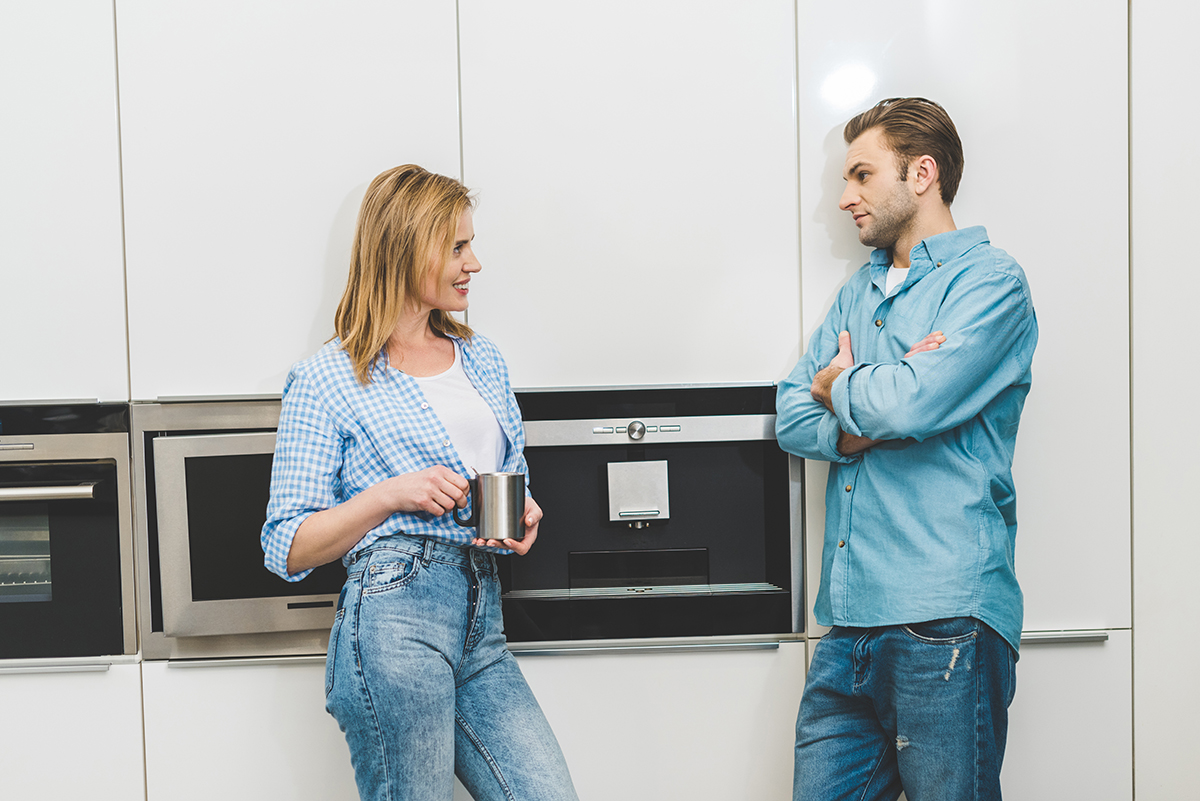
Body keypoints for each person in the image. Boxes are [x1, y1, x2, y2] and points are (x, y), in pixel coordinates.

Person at [261, 164, 578, 801]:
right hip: (392, 622)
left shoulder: (482, 357)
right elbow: (285, 545)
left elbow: (503, 472)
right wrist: (388, 495)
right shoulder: (327, 379)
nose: (476, 263)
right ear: (407, 249)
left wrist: (522, 509)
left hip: (481, 619)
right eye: (458, 247)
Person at [776, 98, 1038, 801]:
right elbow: (792, 416)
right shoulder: (855, 292)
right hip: (848, 626)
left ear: (921, 173)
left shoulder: (990, 283)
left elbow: (913, 400)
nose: (843, 197)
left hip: (944, 619)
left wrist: (844, 383)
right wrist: (869, 402)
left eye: (862, 174)